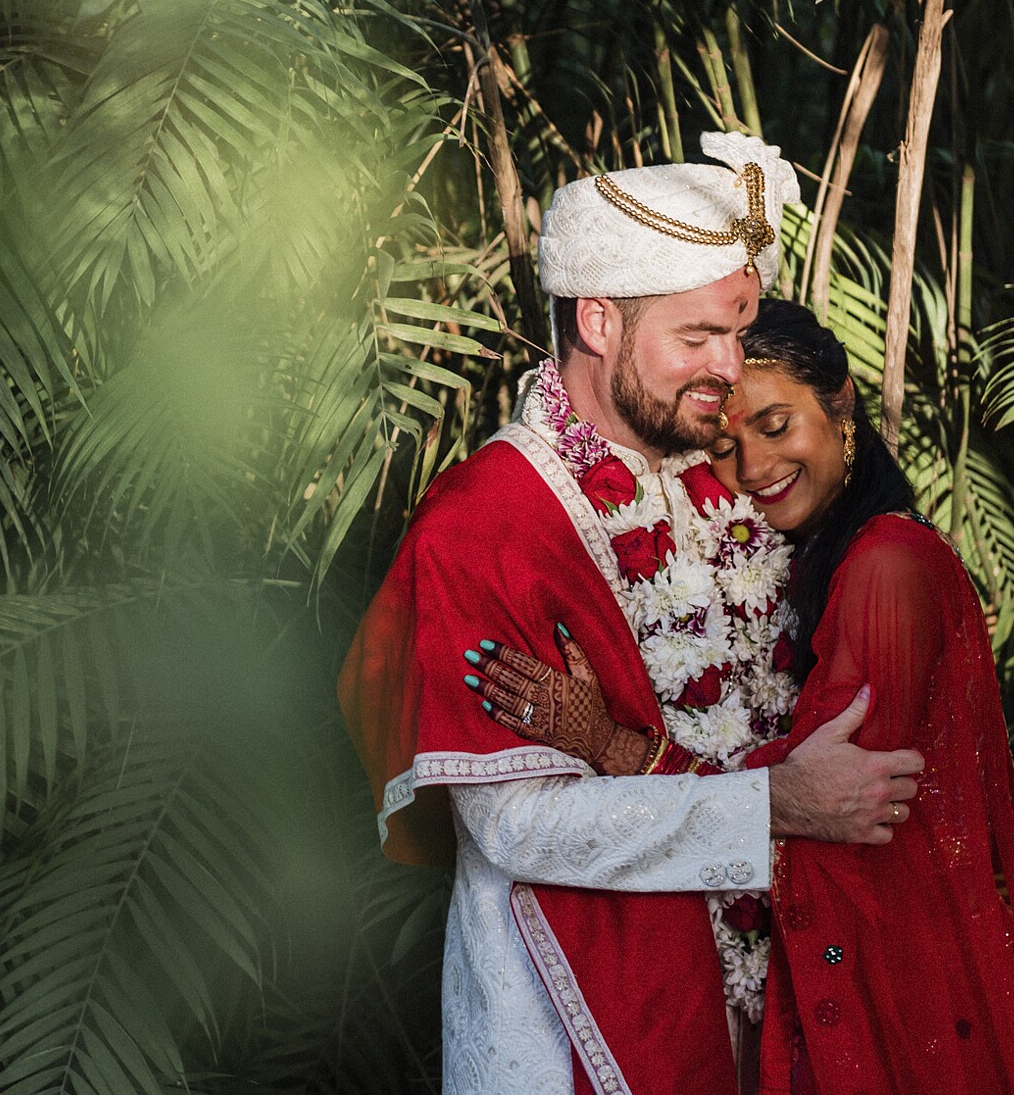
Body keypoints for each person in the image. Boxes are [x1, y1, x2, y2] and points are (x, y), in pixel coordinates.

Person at [337, 133, 924, 1095]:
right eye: (696, 339)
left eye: (736, 333)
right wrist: (775, 806)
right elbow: (518, 829)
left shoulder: (729, 475)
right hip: (571, 1025)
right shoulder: (484, 525)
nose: (728, 369)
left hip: (785, 1015)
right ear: (600, 322)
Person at [463, 299, 1014, 1095]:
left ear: (842, 403)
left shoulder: (887, 567)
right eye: (728, 445)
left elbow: (832, 816)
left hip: (896, 1006)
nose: (754, 469)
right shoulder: (834, 563)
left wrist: (608, 746)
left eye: (777, 426)